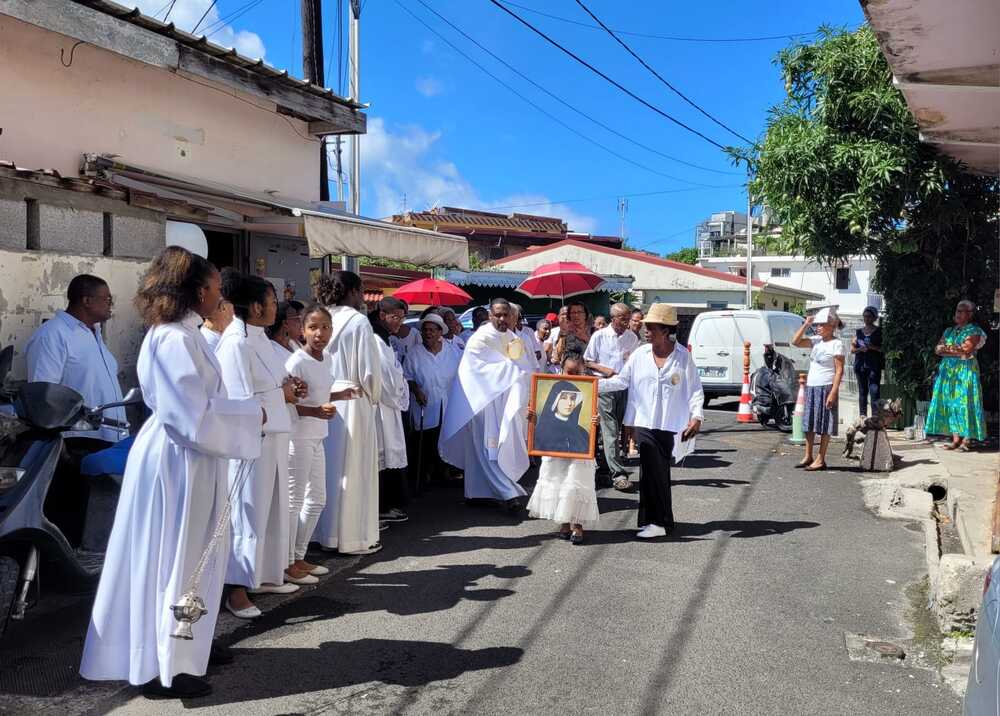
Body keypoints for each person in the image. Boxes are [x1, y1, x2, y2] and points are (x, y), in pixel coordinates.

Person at [80, 247, 263, 699]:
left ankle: (190, 643)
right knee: (176, 557)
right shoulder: (173, 339)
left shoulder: (185, 333)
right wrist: (250, 414)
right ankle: (162, 665)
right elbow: (192, 418)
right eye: (218, 288)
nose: (222, 297)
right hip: (179, 461)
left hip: (191, 458)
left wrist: (242, 413)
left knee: (197, 557)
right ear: (198, 291)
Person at [216, 272, 299, 619]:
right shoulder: (236, 342)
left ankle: (263, 574)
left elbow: (274, 382)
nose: (275, 307)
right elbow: (238, 398)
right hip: (254, 438)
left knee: (271, 511)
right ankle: (235, 589)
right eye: (271, 301)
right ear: (254, 306)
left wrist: (289, 387)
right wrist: (282, 393)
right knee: (247, 513)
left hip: (277, 433)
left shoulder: (261, 338)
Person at [598, 304, 703, 539]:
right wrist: (593, 386)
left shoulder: (683, 357)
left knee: (658, 472)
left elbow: (695, 389)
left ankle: (660, 521)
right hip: (644, 421)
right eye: (645, 327)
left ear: (665, 331)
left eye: (651, 328)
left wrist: (697, 416)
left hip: (670, 423)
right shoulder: (640, 354)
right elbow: (622, 381)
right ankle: (655, 521)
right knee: (650, 471)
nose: (646, 331)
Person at [315, 271, 384, 555]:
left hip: (324, 398)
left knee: (325, 471)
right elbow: (369, 370)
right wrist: (375, 396)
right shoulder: (357, 321)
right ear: (354, 291)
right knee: (353, 470)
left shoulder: (318, 318)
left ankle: (321, 534)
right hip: (353, 398)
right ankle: (351, 538)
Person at [439, 298, 530, 509]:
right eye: (497, 314)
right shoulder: (479, 338)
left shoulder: (513, 337)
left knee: (499, 446)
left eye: (505, 314)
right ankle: (507, 493)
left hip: (503, 403)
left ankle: (477, 493)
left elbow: (523, 365)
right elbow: (476, 370)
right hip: (480, 404)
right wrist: (510, 369)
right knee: (486, 449)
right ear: (490, 316)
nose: (501, 318)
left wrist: (518, 370)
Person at [25, 273, 126, 442]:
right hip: (78, 442)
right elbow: (42, 398)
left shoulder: (94, 333)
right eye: (107, 299)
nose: (111, 304)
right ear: (87, 301)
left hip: (110, 439)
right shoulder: (52, 335)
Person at [284, 305, 345, 581]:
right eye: (313, 327)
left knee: (317, 499)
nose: (319, 333)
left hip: (318, 435)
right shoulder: (296, 361)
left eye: (325, 327)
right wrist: (316, 411)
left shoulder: (327, 359)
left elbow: (321, 393)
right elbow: (287, 404)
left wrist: (341, 394)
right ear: (302, 330)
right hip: (297, 438)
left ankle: (298, 556)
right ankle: (285, 564)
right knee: (294, 501)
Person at [527, 351, 600, 544]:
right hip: (554, 454)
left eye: (578, 373)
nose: (569, 402)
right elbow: (537, 435)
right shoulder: (545, 422)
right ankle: (565, 524)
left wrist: (595, 422)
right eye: (569, 372)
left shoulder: (590, 395)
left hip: (580, 455)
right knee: (558, 482)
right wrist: (532, 420)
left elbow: (593, 431)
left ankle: (578, 526)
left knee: (576, 483)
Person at [585, 302, 641, 491]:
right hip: (604, 388)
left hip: (623, 388)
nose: (626, 323)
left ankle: (603, 469)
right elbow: (588, 361)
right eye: (623, 319)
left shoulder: (632, 338)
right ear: (613, 318)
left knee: (615, 431)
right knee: (610, 431)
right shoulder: (599, 336)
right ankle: (619, 474)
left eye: (628, 319)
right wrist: (605, 370)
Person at [405, 313, 462, 489]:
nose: (427, 333)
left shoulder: (453, 351)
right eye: (425, 330)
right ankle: (426, 474)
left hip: (449, 403)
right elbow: (407, 376)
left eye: (432, 330)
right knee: (427, 439)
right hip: (426, 404)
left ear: (440, 332)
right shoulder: (414, 353)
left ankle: (446, 470)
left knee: (448, 437)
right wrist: (416, 389)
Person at [926, 300, 988, 451]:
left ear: (970, 314)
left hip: (965, 370)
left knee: (965, 402)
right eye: (957, 311)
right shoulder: (949, 331)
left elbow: (966, 349)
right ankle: (955, 440)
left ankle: (966, 440)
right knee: (951, 402)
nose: (958, 314)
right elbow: (937, 349)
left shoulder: (974, 330)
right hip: (948, 371)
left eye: (962, 311)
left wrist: (947, 349)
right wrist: (951, 349)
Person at [791, 308, 845, 471]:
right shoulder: (815, 341)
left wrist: (833, 392)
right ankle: (808, 455)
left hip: (826, 387)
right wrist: (806, 324)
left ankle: (821, 458)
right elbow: (795, 342)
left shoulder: (837, 344)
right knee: (809, 423)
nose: (818, 327)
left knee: (825, 424)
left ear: (831, 326)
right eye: (818, 325)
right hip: (812, 387)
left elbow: (839, 370)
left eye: (822, 324)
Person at [371, 321, 411, 523]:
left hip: (389, 407)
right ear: (382, 316)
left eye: (402, 316)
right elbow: (388, 378)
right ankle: (381, 507)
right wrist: (400, 388)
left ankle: (388, 505)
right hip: (383, 408)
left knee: (390, 457)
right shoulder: (377, 342)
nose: (399, 321)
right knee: (382, 458)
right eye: (395, 316)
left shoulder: (387, 341)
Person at [851, 306, 883, 417]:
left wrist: (872, 347)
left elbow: (883, 349)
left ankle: (875, 416)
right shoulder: (858, 332)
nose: (866, 319)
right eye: (865, 316)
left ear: (874, 318)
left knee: (874, 390)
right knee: (862, 391)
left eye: (869, 316)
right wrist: (860, 349)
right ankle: (862, 416)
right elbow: (852, 350)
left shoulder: (879, 331)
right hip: (860, 365)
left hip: (874, 366)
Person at [381, 296, 419, 366]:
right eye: (396, 317)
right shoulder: (383, 335)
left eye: (402, 316)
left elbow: (419, 353)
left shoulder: (414, 333)